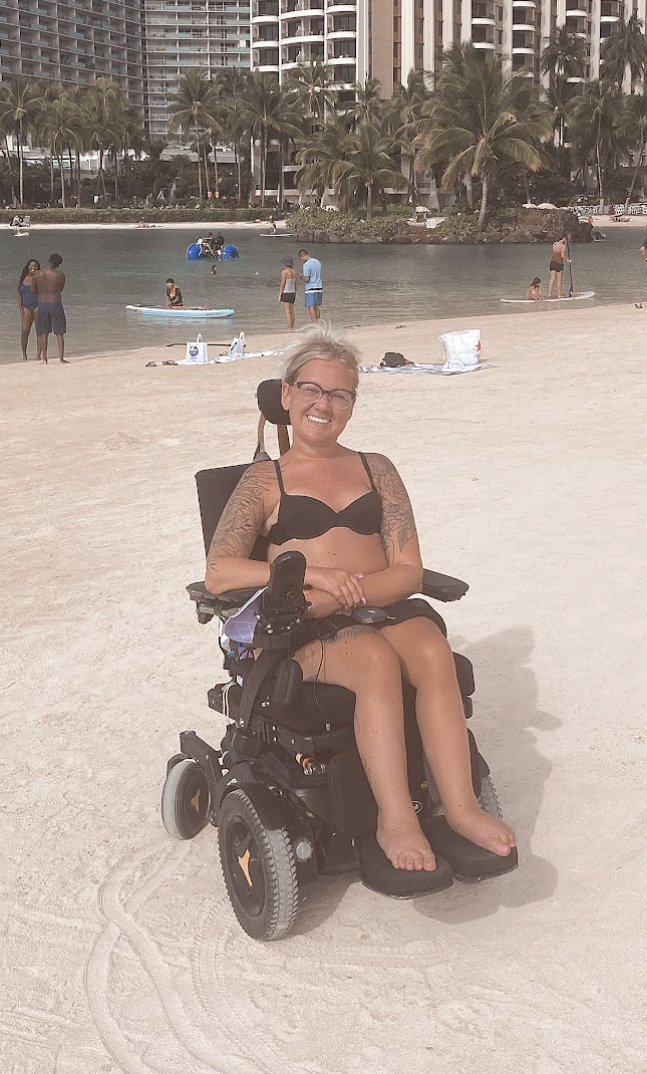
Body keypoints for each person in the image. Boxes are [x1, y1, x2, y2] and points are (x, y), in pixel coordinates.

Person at [204, 326, 517, 874]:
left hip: (379, 608)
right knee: (373, 660)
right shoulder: (264, 480)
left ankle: (462, 808)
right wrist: (315, 581)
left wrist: (351, 595)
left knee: (429, 648)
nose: (323, 403)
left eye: (339, 394)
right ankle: (395, 819)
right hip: (301, 624)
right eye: (311, 390)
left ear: (352, 404)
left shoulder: (377, 468)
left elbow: (408, 570)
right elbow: (219, 572)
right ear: (287, 395)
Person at [33, 253, 67, 363]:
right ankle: (61, 358)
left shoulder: (37, 274)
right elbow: (61, 289)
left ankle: (44, 359)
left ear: (48, 261)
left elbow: (34, 290)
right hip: (55, 302)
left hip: (42, 303)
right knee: (59, 333)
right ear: (58, 265)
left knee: (44, 332)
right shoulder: (60, 275)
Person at [17, 258, 41, 360]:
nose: (33, 268)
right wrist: (20, 308)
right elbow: (19, 294)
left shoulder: (40, 279)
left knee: (39, 331)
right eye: (31, 266)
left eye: (35, 266)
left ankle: (38, 355)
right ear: (28, 267)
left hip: (38, 306)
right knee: (25, 331)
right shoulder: (22, 279)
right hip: (26, 307)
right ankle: (24, 355)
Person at [299, 248, 324, 322]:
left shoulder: (306, 265)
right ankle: (318, 322)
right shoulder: (318, 262)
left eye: (301, 259)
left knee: (311, 307)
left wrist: (300, 277)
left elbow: (307, 279)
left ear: (302, 256)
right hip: (319, 286)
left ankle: (314, 324)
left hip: (310, 287)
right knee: (317, 307)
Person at [279, 257, 299, 330]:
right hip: (292, 292)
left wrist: (280, 294)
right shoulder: (295, 272)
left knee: (287, 312)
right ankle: (292, 326)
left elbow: (283, 283)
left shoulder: (284, 272)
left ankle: (289, 327)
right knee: (292, 311)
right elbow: (296, 284)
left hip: (286, 292)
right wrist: (295, 291)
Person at [548, 234, 569, 299]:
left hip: (552, 263)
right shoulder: (562, 246)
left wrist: (565, 244)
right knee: (559, 280)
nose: (566, 239)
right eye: (565, 238)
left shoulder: (554, 244)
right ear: (563, 238)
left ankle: (549, 294)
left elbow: (559, 250)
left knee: (552, 278)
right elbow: (562, 255)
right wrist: (568, 260)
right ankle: (559, 295)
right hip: (559, 264)